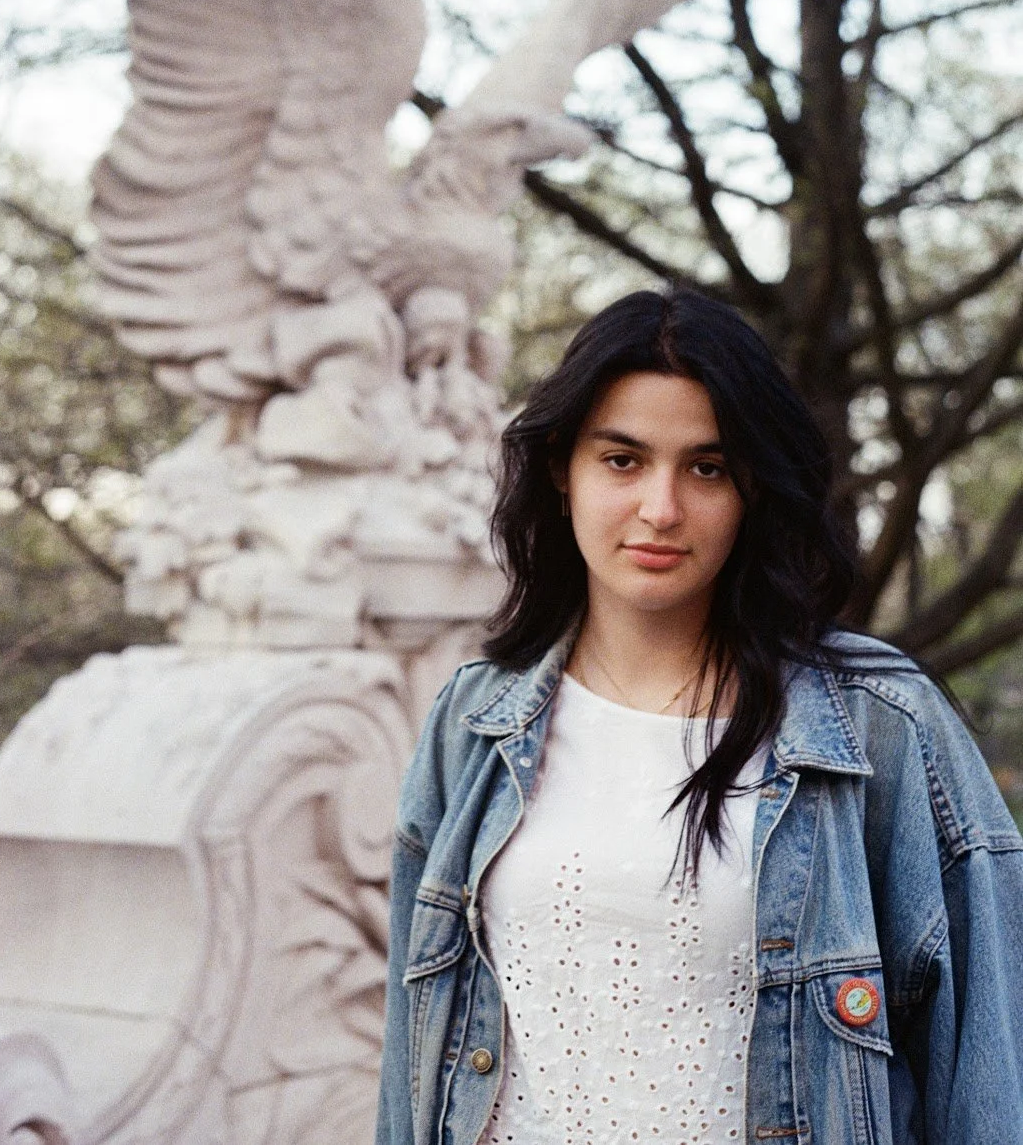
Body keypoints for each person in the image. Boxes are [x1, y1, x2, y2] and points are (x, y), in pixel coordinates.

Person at [375, 287, 1023, 1145]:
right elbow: (410, 1058)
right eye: (622, 460)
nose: (662, 508)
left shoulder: (880, 728)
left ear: (754, 491)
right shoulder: (472, 722)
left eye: (707, 468)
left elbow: (987, 1071)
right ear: (563, 470)